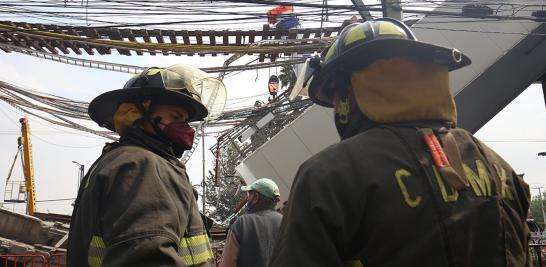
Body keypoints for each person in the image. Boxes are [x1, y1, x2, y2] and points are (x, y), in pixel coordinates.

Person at [270, 18, 531, 267]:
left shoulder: (326, 176)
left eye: (336, 96)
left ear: (349, 93)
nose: (337, 107)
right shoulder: (500, 168)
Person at [67, 64, 222, 267]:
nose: (185, 128)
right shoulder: (140, 165)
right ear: (138, 115)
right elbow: (149, 256)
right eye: (175, 117)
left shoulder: (123, 160)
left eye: (185, 121)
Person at [220, 178, 282, 267]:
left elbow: (227, 264)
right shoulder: (285, 223)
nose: (248, 198)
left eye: (249, 195)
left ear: (256, 197)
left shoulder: (242, 224)